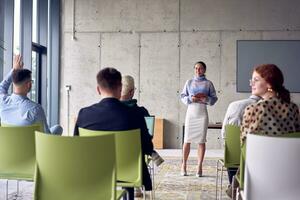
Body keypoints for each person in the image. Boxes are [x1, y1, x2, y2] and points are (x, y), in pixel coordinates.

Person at [74, 68, 154, 200]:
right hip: (128, 171)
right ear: (120, 87)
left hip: (94, 171)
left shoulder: (84, 114)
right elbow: (147, 148)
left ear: (98, 89)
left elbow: (77, 147)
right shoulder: (136, 114)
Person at [0, 55, 62, 134]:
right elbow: (47, 137)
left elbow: (2, 87)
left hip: (8, 146)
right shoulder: (35, 109)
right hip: (33, 146)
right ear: (29, 84)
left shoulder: (2, 102)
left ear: (13, 82)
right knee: (58, 128)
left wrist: (14, 70)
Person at [241, 64, 300, 141]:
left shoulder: (253, 109)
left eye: (256, 80)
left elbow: (244, 143)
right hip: (286, 153)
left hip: (259, 153)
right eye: (251, 80)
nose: (251, 84)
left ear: (269, 84)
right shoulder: (293, 108)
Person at [180, 61, 218, 177]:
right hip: (191, 113)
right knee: (187, 140)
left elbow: (214, 99)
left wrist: (206, 98)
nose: (198, 70)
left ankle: (199, 166)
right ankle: (184, 164)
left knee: (201, 141)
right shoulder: (189, 82)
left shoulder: (208, 84)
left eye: (200, 68)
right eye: (196, 68)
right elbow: (182, 96)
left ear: (204, 70)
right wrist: (191, 99)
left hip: (202, 114)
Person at [221, 94, 260, 197]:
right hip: (262, 162)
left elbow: (224, 134)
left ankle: (233, 188)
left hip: (234, 157)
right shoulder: (271, 109)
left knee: (234, 154)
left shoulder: (234, 105)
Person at [121, 75, 164, 167]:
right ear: (132, 92)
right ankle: (152, 154)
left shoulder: (100, 114)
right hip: (134, 166)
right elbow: (148, 138)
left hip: (107, 168)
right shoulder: (141, 112)